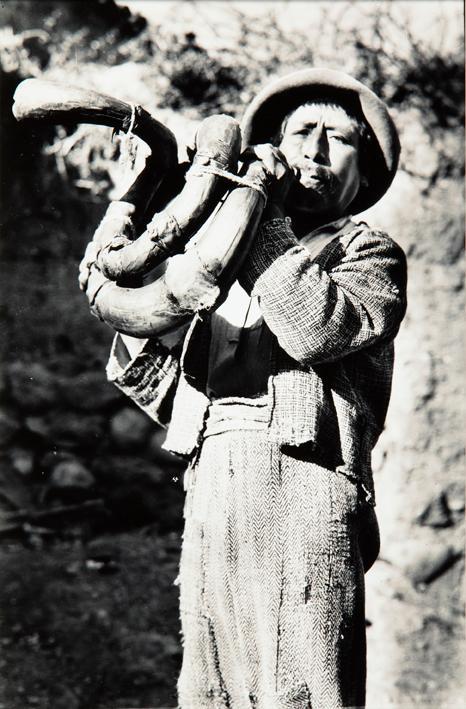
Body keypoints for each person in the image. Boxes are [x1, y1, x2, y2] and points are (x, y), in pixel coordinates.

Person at [93, 68, 408, 707]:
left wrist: (259, 217)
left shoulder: (369, 253)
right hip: (214, 481)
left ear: (365, 171)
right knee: (213, 683)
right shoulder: (229, 254)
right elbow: (166, 392)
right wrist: (132, 303)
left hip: (306, 482)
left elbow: (315, 330)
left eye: (339, 139)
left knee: (304, 678)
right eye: (300, 132)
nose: (313, 152)